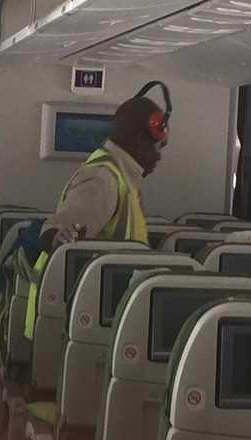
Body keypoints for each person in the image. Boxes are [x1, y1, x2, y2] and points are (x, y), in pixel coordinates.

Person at [23, 83, 171, 340]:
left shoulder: (119, 176)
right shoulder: (103, 179)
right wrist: (60, 235)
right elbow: (59, 236)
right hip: (81, 320)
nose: (159, 156)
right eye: (160, 146)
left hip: (97, 315)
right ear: (139, 140)